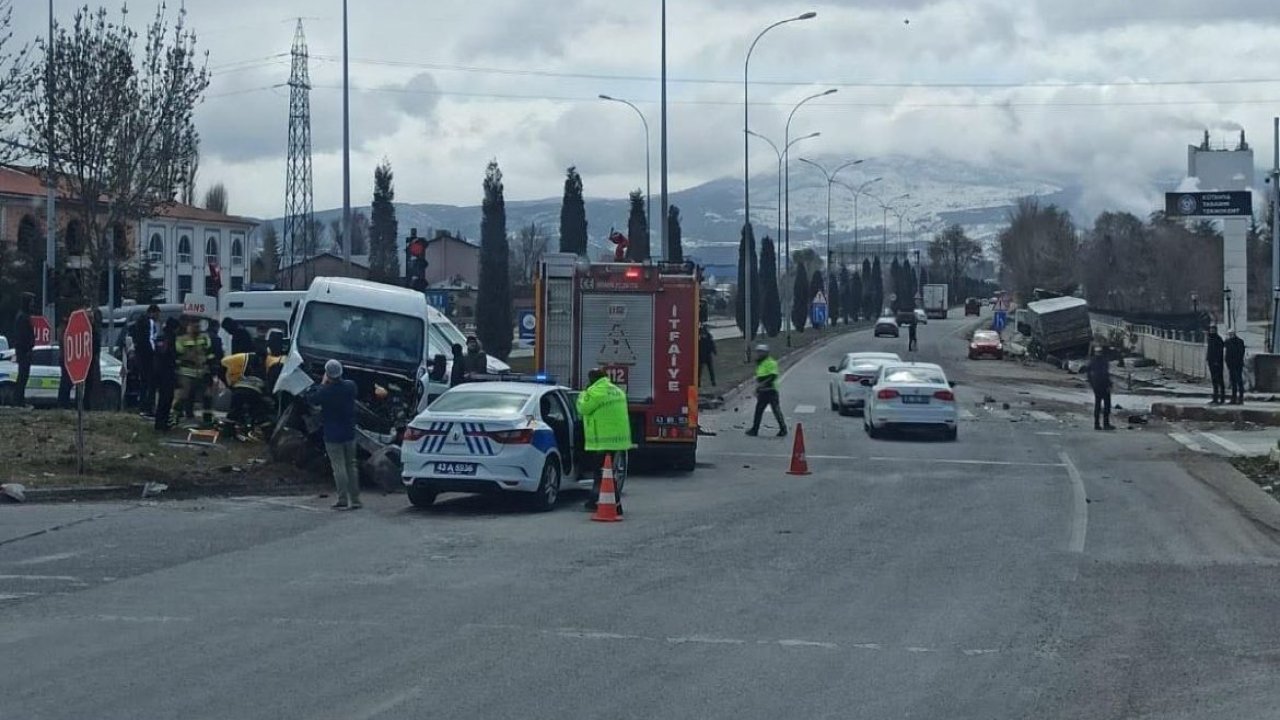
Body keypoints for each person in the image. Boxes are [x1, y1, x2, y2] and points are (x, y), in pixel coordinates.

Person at [306, 359, 360, 510]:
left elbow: (311, 399)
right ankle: (355, 500)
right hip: (349, 432)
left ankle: (342, 499)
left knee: (339, 467)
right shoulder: (350, 386)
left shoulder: (325, 391)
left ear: (327, 374)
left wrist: (323, 383)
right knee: (351, 465)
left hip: (332, 434)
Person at [576, 367, 632, 514]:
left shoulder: (595, 392)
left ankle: (616, 504)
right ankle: (595, 500)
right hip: (618, 440)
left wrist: (583, 394)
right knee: (604, 473)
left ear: (592, 379)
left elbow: (583, 409)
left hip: (602, 441)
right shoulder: (616, 391)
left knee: (603, 473)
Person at [173, 317, 214, 425]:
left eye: (198, 326)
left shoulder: (205, 338)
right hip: (186, 372)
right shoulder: (181, 340)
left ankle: (207, 418)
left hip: (202, 371)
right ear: (188, 327)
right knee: (185, 395)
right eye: (194, 326)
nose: (196, 328)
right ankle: (175, 417)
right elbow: (178, 354)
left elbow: (210, 353)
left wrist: (211, 367)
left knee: (207, 395)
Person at [746, 344, 787, 437]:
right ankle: (754, 429)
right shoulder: (760, 363)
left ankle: (783, 429)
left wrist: (762, 384)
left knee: (776, 411)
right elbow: (759, 376)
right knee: (758, 411)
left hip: (771, 390)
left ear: (766, 353)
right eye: (758, 352)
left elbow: (773, 376)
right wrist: (758, 388)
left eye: (761, 352)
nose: (759, 354)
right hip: (763, 391)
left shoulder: (771, 362)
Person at [130, 305, 160, 414]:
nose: (158, 317)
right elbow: (151, 339)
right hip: (148, 358)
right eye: (157, 314)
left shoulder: (139, 322)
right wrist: (155, 353)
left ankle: (142, 406)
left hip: (140, 357)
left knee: (143, 383)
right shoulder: (150, 323)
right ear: (153, 312)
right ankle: (149, 407)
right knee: (150, 383)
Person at [153, 318, 180, 431]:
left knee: (163, 399)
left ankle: (160, 422)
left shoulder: (161, 336)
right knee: (166, 399)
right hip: (167, 372)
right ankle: (162, 423)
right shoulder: (170, 338)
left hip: (159, 372)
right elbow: (170, 355)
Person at [11, 292, 35, 407]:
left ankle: (20, 400)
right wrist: (26, 349)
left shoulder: (24, 316)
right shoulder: (22, 317)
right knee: (22, 376)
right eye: (31, 302)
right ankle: (18, 401)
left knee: (24, 376)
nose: (33, 305)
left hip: (25, 351)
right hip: (23, 352)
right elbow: (22, 336)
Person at [1087, 345, 1114, 431]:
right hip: (1103, 385)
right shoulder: (1103, 361)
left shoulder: (1092, 361)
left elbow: (1088, 373)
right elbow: (1105, 374)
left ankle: (1097, 424)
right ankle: (1105, 424)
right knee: (1106, 405)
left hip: (1096, 385)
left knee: (1098, 405)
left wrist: (1091, 383)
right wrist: (1109, 384)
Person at [1206, 325, 1226, 405]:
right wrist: (1208, 358)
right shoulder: (1210, 339)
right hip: (1211, 362)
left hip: (1217, 363)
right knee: (1214, 381)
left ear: (1215, 330)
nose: (1211, 331)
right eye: (1210, 330)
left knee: (1219, 380)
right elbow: (1210, 350)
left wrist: (1217, 361)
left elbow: (1219, 352)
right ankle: (1215, 398)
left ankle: (1222, 398)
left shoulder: (1218, 339)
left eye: (1213, 330)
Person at [1225, 329, 1246, 405]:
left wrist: (1238, 361)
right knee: (1233, 382)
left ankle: (1241, 398)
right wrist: (1227, 362)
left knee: (1239, 381)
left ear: (1234, 334)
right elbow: (1227, 353)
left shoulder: (1240, 341)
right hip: (1231, 364)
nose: (1231, 335)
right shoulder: (1228, 342)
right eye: (1229, 334)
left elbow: (1241, 353)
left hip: (1238, 364)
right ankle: (1233, 398)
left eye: (1232, 334)